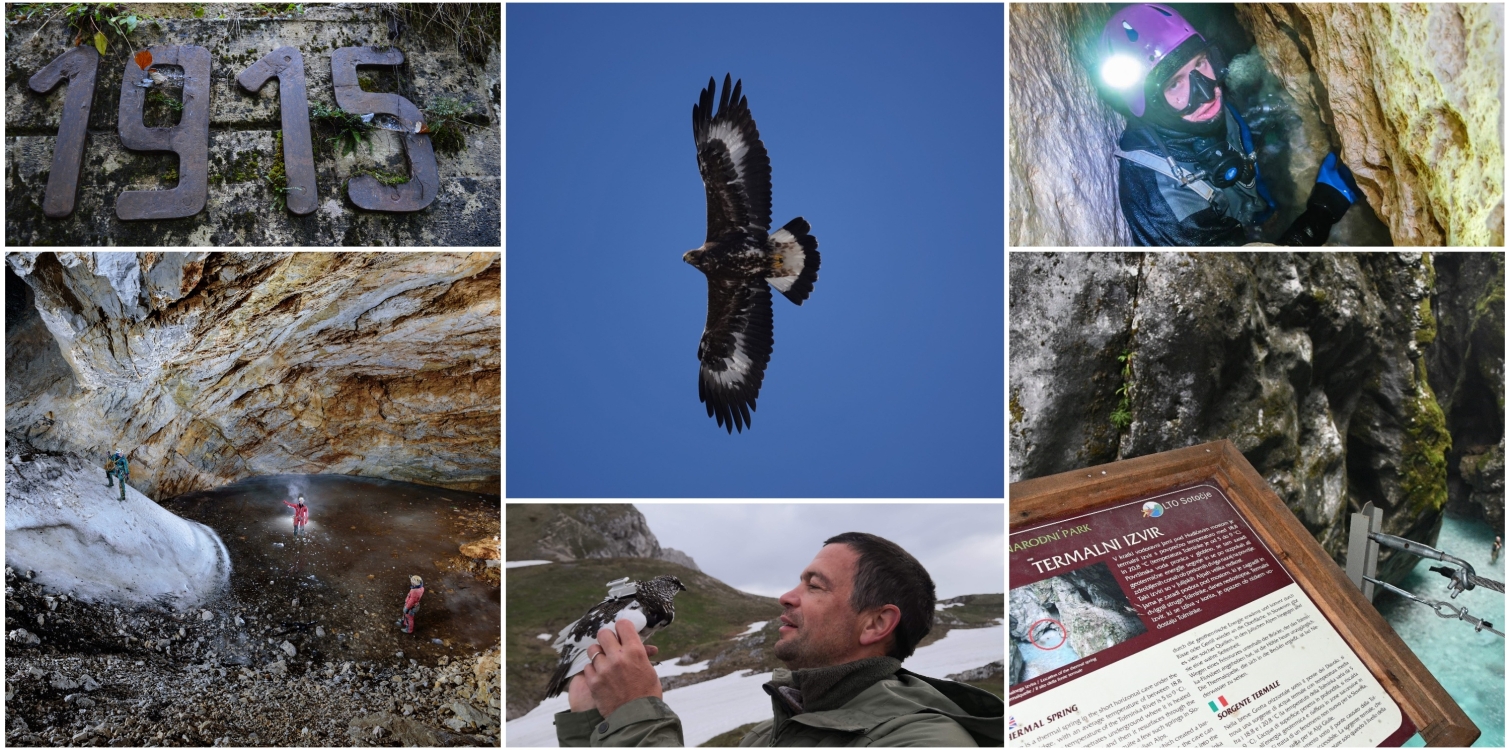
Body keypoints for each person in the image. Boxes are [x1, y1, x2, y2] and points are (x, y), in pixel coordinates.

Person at [555, 532, 1003, 746]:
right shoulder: (765, 738)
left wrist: (635, 716)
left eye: (814, 586)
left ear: (875, 625)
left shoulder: (923, 741)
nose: (786, 598)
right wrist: (593, 722)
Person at [1099, 4, 1361, 246]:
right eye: (1174, 83)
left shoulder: (1195, 109)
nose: (1206, 91)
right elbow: (1251, 278)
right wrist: (1323, 212)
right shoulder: (1161, 205)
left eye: (1200, 62)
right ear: (1147, 103)